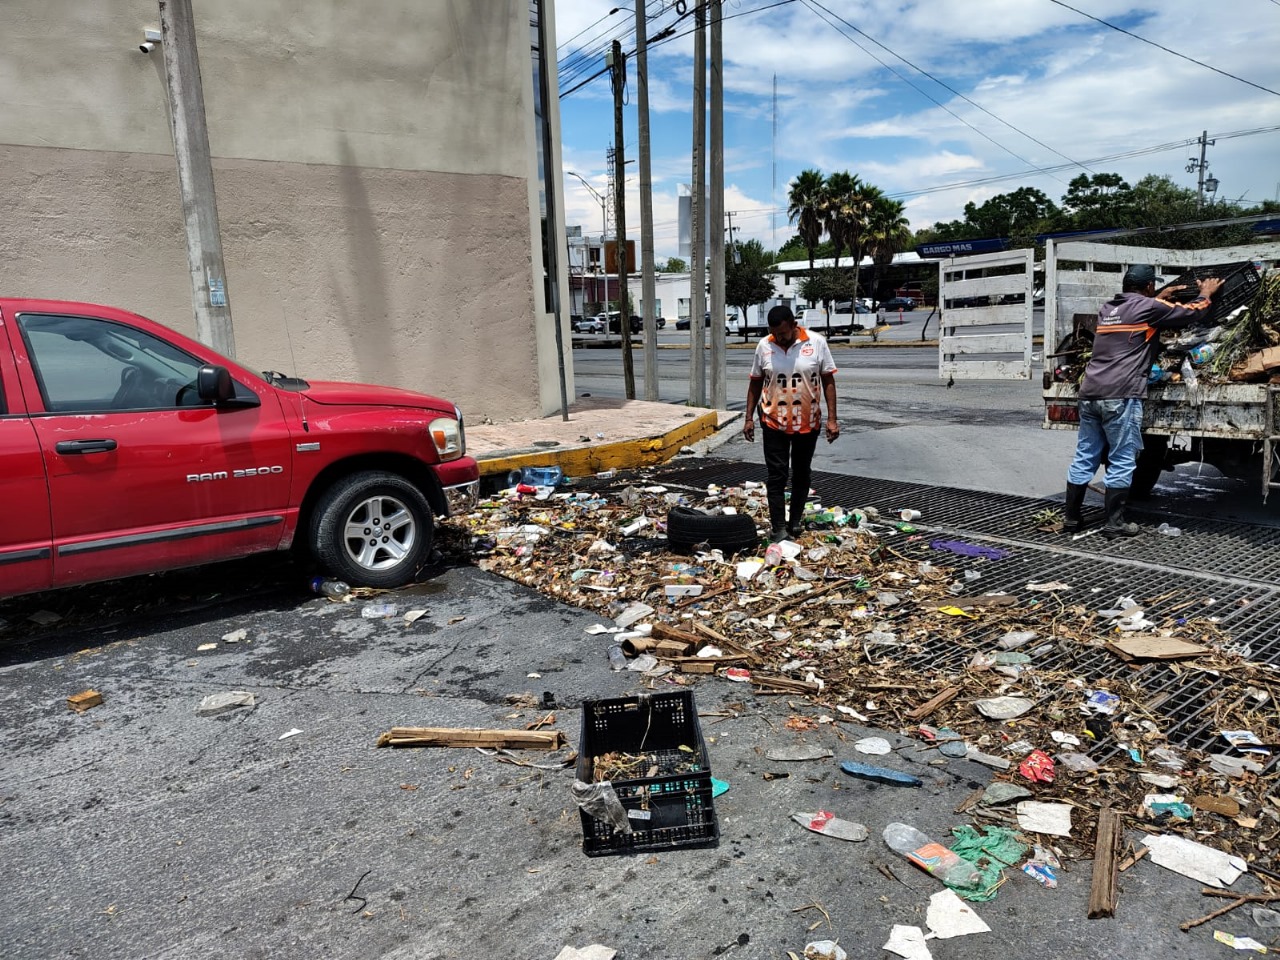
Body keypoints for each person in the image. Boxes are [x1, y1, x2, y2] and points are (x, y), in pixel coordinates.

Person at [1063, 264, 1222, 538]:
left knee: (1085, 456)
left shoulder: (1107, 309)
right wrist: (1206, 294)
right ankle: (1115, 523)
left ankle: (1071, 519)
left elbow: (1139, 311)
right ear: (1148, 286)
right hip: (1121, 394)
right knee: (1123, 458)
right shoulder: (1150, 308)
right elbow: (1191, 313)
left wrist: (1159, 296)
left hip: (1090, 393)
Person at [743, 305, 840, 541]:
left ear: (794, 325)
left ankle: (795, 520)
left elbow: (828, 380)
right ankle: (778, 527)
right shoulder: (764, 346)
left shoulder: (816, 343)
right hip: (773, 421)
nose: (780, 338)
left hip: (807, 422)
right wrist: (748, 418)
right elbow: (756, 382)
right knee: (776, 475)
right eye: (775, 334)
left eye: (783, 334)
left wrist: (832, 419)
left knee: (801, 473)